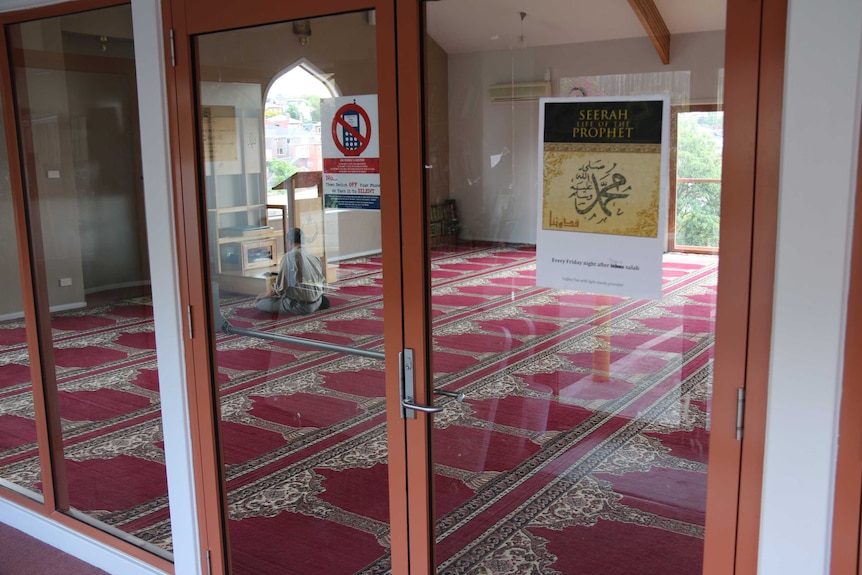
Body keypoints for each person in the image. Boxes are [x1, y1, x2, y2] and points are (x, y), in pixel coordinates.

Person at [255, 227, 330, 314]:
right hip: (317, 301)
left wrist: (262, 296)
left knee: (261, 304)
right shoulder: (314, 257)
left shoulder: (290, 257)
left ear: (289, 241)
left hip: (301, 306)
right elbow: (323, 283)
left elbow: (278, 289)